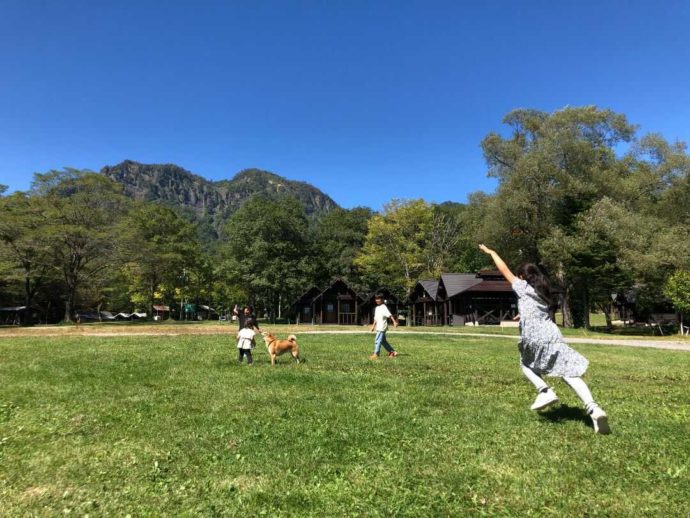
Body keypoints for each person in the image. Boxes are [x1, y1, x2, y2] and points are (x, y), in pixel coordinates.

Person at [478, 244, 611, 434]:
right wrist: (521, 315)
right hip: (552, 335)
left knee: (526, 364)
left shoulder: (522, 288)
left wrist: (492, 253)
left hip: (533, 337)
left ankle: (545, 391)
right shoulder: (543, 292)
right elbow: (537, 311)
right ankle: (593, 408)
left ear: (523, 277)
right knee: (569, 372)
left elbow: (503, 269)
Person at [370, 293, 399, 360]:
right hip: (378, 327)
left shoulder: (384, 307)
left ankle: (376, 354)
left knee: (377, 340)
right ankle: (392, 352)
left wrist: (394, 322)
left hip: (382, 326)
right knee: (383, 341)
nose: (377, 300)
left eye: (378, 299)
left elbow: (390, 315)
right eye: (376, 299)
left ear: (382, 300)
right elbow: (375, 318)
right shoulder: (377, 308)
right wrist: (373, 326)